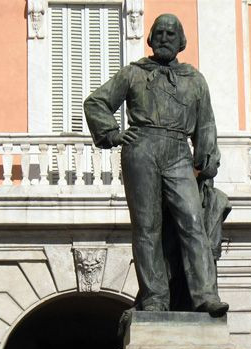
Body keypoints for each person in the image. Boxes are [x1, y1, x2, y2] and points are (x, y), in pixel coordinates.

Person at [84, 13, 228, 317]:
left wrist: (206, 161)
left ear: (181, 41)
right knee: (147, 227)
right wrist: (113, 133)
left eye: (171, 33)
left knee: (192, 222)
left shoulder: (194, 80)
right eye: (159, 32)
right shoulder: (133, 73)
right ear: (150, 38)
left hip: (178, 151)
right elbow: (97, 101)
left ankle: (204, 295)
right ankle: (154, 298)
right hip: (141, 149)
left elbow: (206, 125)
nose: (164, 37)